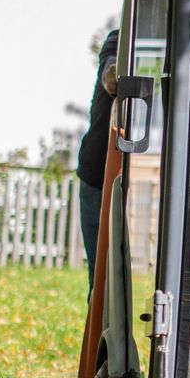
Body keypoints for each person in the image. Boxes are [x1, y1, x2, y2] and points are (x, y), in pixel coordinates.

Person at [76, 28, 119, 286]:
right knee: (101, 281)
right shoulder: (119, 41)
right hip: (99, 178)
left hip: (142, 178)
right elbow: (110, 74)